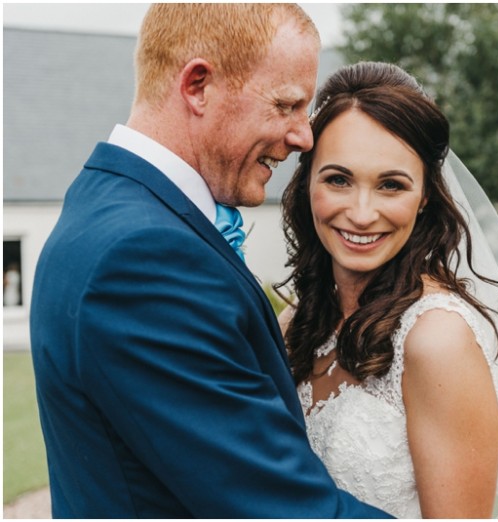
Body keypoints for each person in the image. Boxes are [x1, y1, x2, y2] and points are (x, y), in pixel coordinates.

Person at [29, 5, 389, 518]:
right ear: (197, 86)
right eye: (286, 105)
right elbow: (282, 508)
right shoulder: (145, 259)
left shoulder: (103, 201)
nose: (303, 137)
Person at [277, 61, 498, 518]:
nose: (361, 212)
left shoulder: (437, 339)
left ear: (426, 195)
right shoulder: (295, 323)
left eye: (391, 185)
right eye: (338, 179)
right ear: (307, 181)